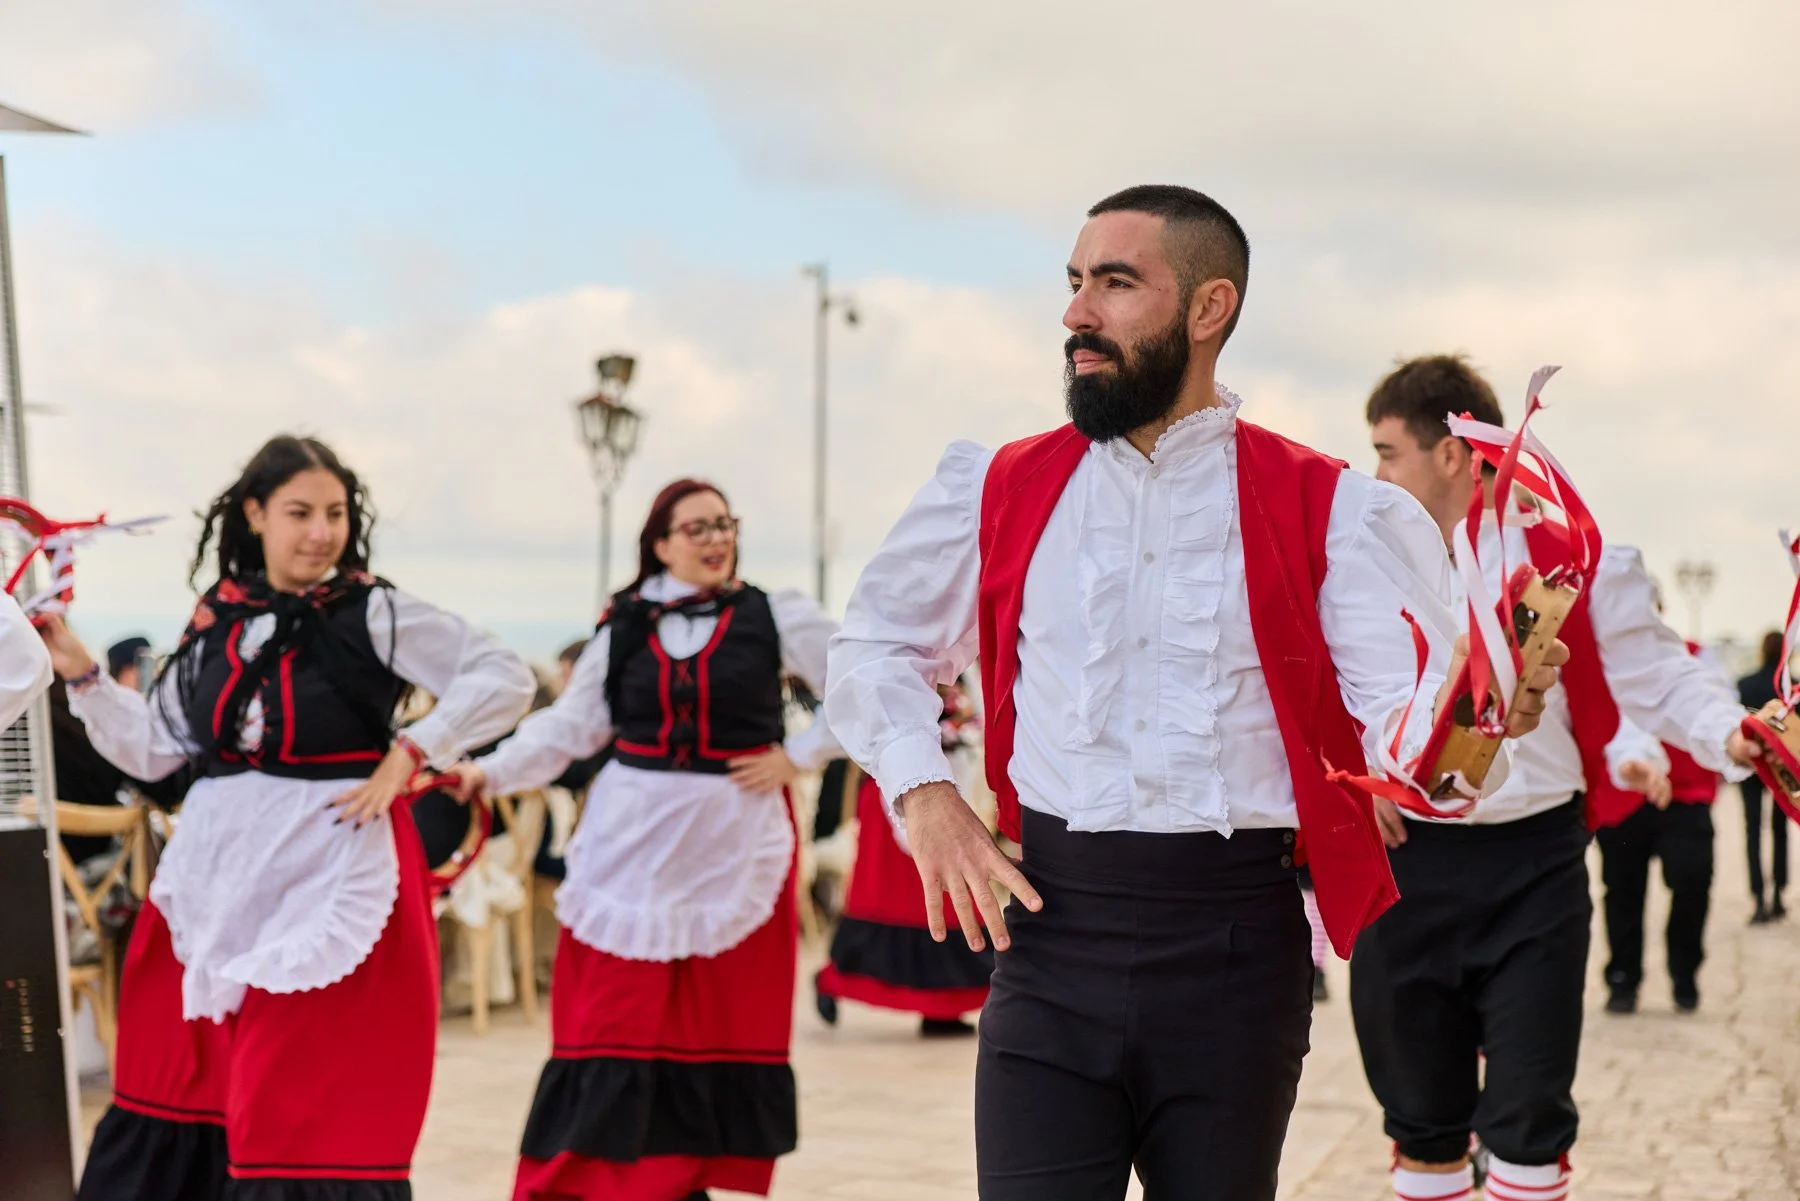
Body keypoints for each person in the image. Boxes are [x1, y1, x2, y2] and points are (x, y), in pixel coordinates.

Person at [826, 185, 1562, 1201]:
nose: (1078, 311)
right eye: (1075, 282)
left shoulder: (1334, 508)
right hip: (1049, 933)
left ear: (1208, 309)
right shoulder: (993, 485)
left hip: (1235, 948)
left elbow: (1405, 739)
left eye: (1116, 282)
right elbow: (872, 646)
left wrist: (1483, 717)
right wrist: (926, 796)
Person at [51, 434, 535, 1201]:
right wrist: (80, 669)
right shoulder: (219, 618)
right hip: (216, 875)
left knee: (304, 1104)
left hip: (330, 869)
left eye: (336, 513)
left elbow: (503, 676)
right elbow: (157, 749)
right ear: (255, 514)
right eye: (300, 512)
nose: (322, 532)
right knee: (176, 1079)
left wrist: (413, 750)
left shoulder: (374, 610)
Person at [1361, 355, 1756, 1201]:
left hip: (1534, 864)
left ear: (1454, 452)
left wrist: (1732, 730)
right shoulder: (1362, 562)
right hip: (1407, 867)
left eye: (1388, 451)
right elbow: (1318, 689)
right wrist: (1353, 784)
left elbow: (1657, 672)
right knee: (1422, 1124)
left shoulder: (1577, 553)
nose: (1376, 473)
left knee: (1531, 1119)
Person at [446, 478, 843, 1201]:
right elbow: (573, 727)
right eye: (697, 527)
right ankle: (593, 1177)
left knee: (712, 1015)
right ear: (659, 542)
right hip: (631, 834)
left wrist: (802, 753)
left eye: (725, 523)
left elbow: (864, 685)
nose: (717, 537)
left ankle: (681, 1176)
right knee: (609, 1010)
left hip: (734, 831)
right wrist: (489, 772)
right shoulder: (626, 621)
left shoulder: (775, 613)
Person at [816, 680, 994, 1035]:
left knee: (948, 898)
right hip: (890, 798)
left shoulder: (962, 664)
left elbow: (977, 718)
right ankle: (835, 979)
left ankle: (941, 1010)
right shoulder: (888, 660)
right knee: (889, 899)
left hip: (945, 792)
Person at [1597, 702, 1721, 1017]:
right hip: (1622, 794)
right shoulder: (1609, 661)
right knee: (1622, 891)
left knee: (1692, 882)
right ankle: (1623, 978)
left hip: (1687, 795)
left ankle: (1685, 971)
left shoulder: (1699, 662)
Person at [1740, 630, 1788, 923]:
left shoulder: (1745, 684)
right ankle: (1779, 895)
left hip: (1751, 765)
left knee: (1752, 831)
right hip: (1782, 767)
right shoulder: (1792, 687)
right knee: (1779, 830)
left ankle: (1758, 898)